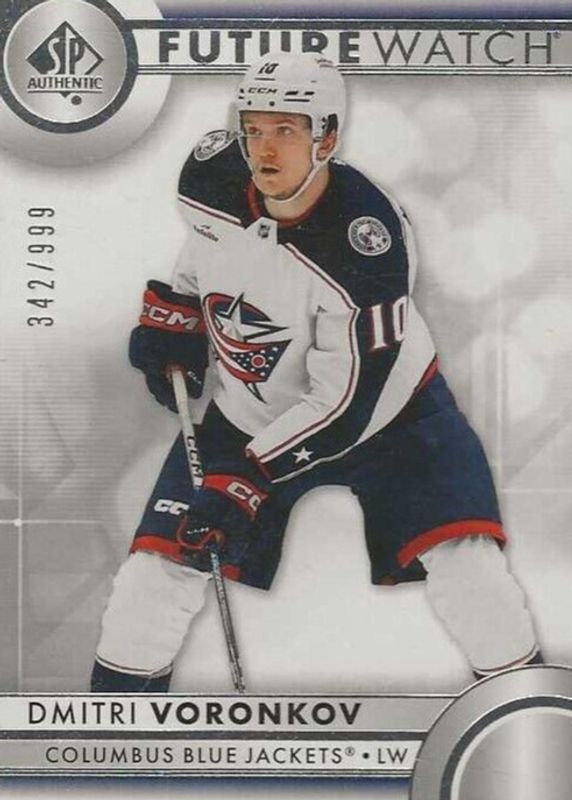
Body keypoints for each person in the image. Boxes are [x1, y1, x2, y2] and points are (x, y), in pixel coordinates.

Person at [91, 53, 542, 692]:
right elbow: (206, 246)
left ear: (326, 137)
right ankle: (116, 737)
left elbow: (347, 403)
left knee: (476, 582)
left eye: (286, 130)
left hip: (390, 418)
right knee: (150, 583)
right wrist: (178, 315)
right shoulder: (211, 175)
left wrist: (245, 478)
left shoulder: (367, 242)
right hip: (249, 411)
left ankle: (522, 718)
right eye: (254, 128)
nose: (263, 149)